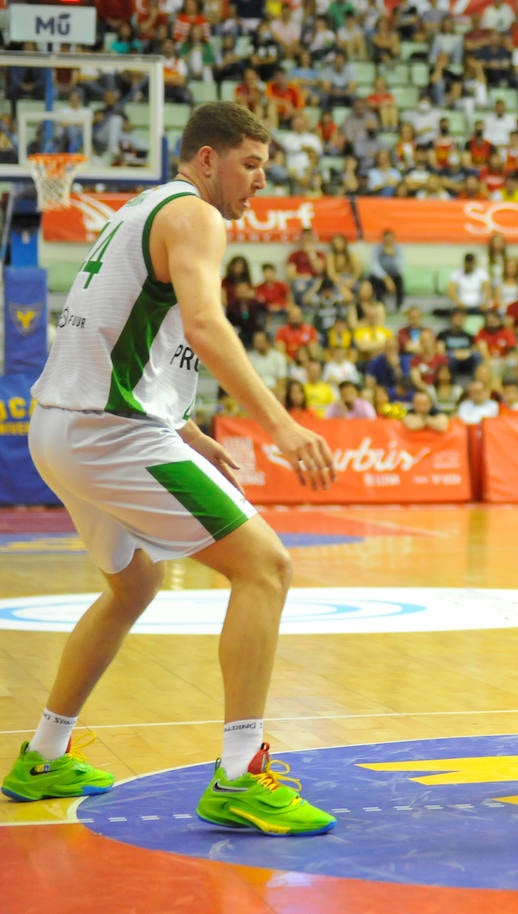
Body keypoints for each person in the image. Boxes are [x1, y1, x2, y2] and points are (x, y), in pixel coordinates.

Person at [4, 102, 337, 836]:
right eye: (250, 164)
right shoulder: (196, 215)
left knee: (134, 584)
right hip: (108, 435)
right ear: (208, 159)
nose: (260, 180)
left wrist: (184, 429)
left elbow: (120, 336)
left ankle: (43, 754)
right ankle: (239, 774)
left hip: (63, 427)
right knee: (266, 568)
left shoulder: (140, 209)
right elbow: (203, 325)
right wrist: (280, 426)